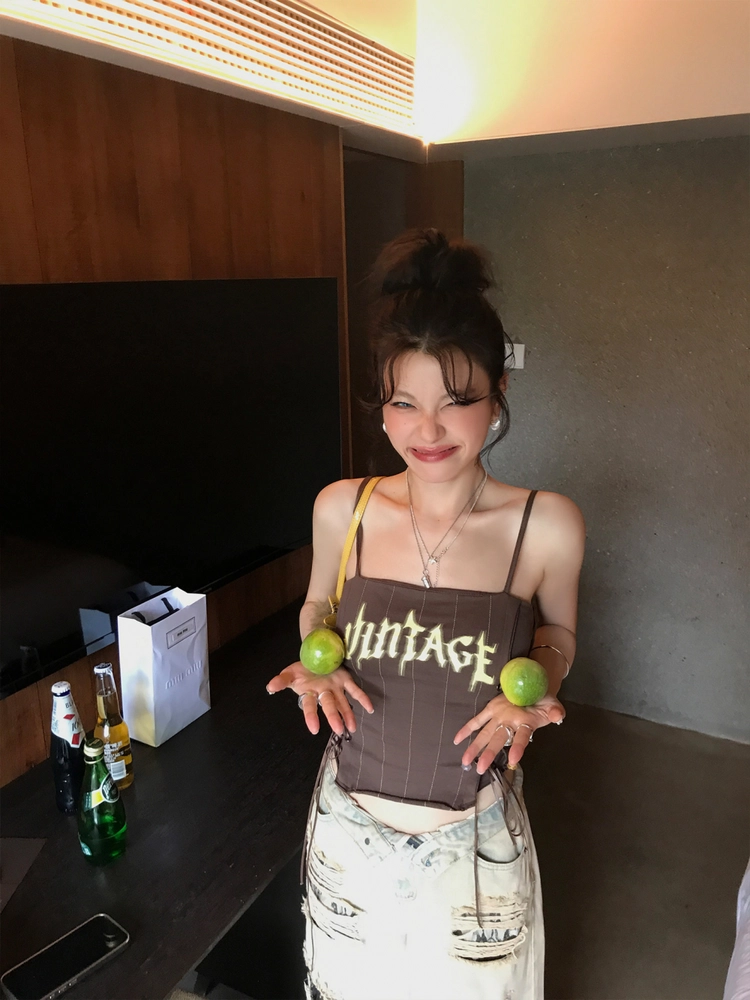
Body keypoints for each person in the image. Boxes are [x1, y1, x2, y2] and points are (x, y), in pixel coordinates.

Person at [267, 229, 585, 1000]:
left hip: (472, 849)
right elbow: (319, 604)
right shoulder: (342, 508)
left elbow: (558, 634)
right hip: (346, 834)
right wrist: (317, 653)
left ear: (497, 395)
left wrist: (535, 685)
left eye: (457, 402)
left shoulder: (544, 525)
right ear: (380, 404)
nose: (428, 430)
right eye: (403, 403)